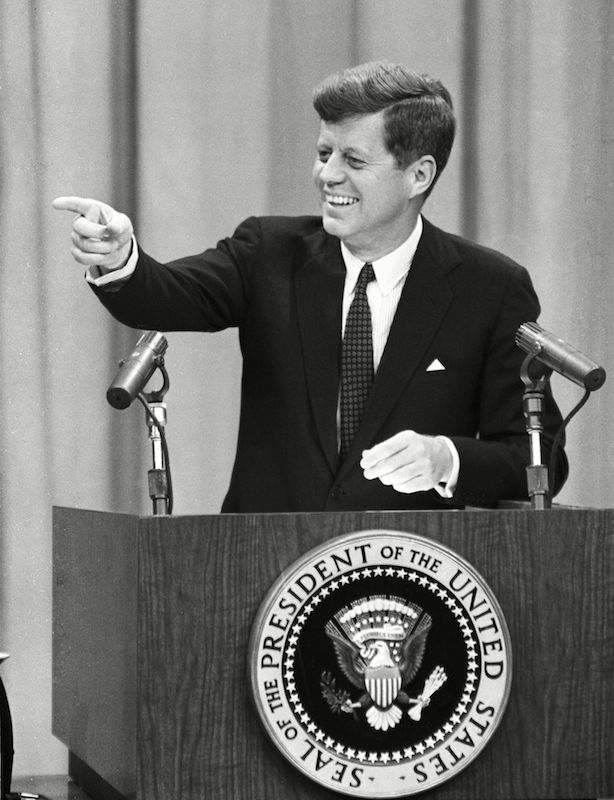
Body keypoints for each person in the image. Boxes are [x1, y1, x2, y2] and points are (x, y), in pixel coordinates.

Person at [53, 60, 567, 513]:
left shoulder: (490, 287)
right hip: (265, 572)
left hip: (412, 576)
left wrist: (446, 458)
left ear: (419, 175)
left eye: (354, 161)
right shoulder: (268, 252)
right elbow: (165, 294)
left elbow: (539, 458)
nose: (327, 175)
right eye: (325, 153)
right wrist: (122, 259)